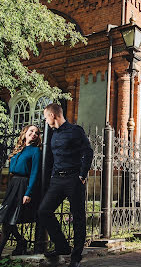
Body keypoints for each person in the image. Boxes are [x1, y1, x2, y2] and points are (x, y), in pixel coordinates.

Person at [38, 103, 93, 267]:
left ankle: (76, 257)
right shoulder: (53, 134)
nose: (45, 121)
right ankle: (62, 246)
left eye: (45, 117)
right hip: (57, 180)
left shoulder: (75, 130)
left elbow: (88, 151)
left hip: (74, 179)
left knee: (78, 217)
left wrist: (82, 174)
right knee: (44, 211)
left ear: (52, 115)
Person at [0, 125, 41, 267]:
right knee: (6, 218)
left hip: (23, 185)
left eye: (37, 133)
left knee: (8, 220)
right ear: (25, 132)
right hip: (13, 184)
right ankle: (21, 241)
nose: (34, 134)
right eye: (31, 131)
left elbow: (34, 173)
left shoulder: (35, 151)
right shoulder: (18, 149)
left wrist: (28, 192)